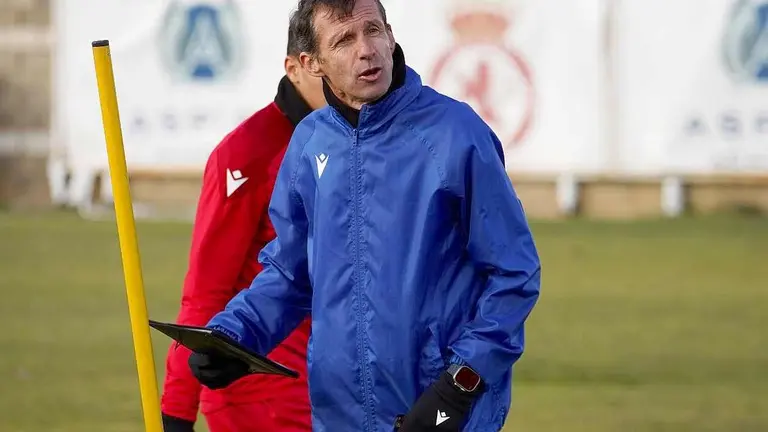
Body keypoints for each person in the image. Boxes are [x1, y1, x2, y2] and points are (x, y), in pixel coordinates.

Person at [189, 0, 541, 430]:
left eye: (373, 31)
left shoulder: (456, 134)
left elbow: (514, 273)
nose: (366, 50)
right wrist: (234, 335)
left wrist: (460, 384)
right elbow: (288, 274)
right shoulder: (308, 143)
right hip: (339, 416)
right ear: (311, 62)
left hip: (441, 413)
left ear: (391, 36)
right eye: (343, 40)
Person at [159, 19, 326, 432]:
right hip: (261, 394)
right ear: (294, 68)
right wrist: (176, 411)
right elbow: (204, 290)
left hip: (336, 387)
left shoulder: (351, 144)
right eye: (322, 65)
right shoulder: (246, 153)